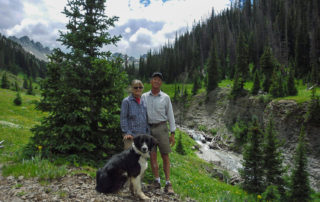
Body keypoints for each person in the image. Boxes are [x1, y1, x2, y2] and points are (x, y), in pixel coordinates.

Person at [142, 72, 176, 194]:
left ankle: (168, 183)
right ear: (151, 81)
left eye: (159, 80)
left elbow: (170, 115)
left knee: (165, 155)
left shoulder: (165, 97)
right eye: (154, 79)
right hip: (149, 129)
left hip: (162, 128)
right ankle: (156, 181)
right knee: (152, 155)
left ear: (161, 83)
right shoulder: (144, 96)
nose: (156, 81)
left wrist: (172, 133)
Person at [120, 79, 149, 150]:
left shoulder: (143, 101)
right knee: (130, 157)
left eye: (140, 87)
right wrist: (127, 133)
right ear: (131, 88)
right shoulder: (126, 101)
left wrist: (148, 133)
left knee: (141, 159)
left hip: (142, 136)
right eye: (135, 87)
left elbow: (146, 118)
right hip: (130, 136)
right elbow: (123, 118)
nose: (138, 89)